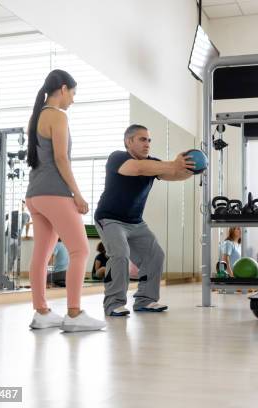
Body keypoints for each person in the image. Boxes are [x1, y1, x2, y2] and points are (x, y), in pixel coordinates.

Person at [25, 69, 105, 332]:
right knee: (80, 250)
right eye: (73, 93)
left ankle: (42, 311)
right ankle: (73, 313)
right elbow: (61, 158)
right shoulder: (58, 116)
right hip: (55, 193)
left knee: (41, 254)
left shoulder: (36, 116)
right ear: (63, 88)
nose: (73, 99)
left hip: (34, 194)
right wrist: (77, 194)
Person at [94, 124, 195, 317]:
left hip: (135, 222)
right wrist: (173, 164)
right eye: (142, 139)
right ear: (128, 141)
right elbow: (139, 168)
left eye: (149, 140)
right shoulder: (118, 158)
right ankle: (113, 304)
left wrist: (193, 168)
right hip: (110, 219)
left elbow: (175, 174)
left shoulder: (153, 164)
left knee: (155, 255)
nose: (147, 143)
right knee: (120, 254)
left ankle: (145, 300)